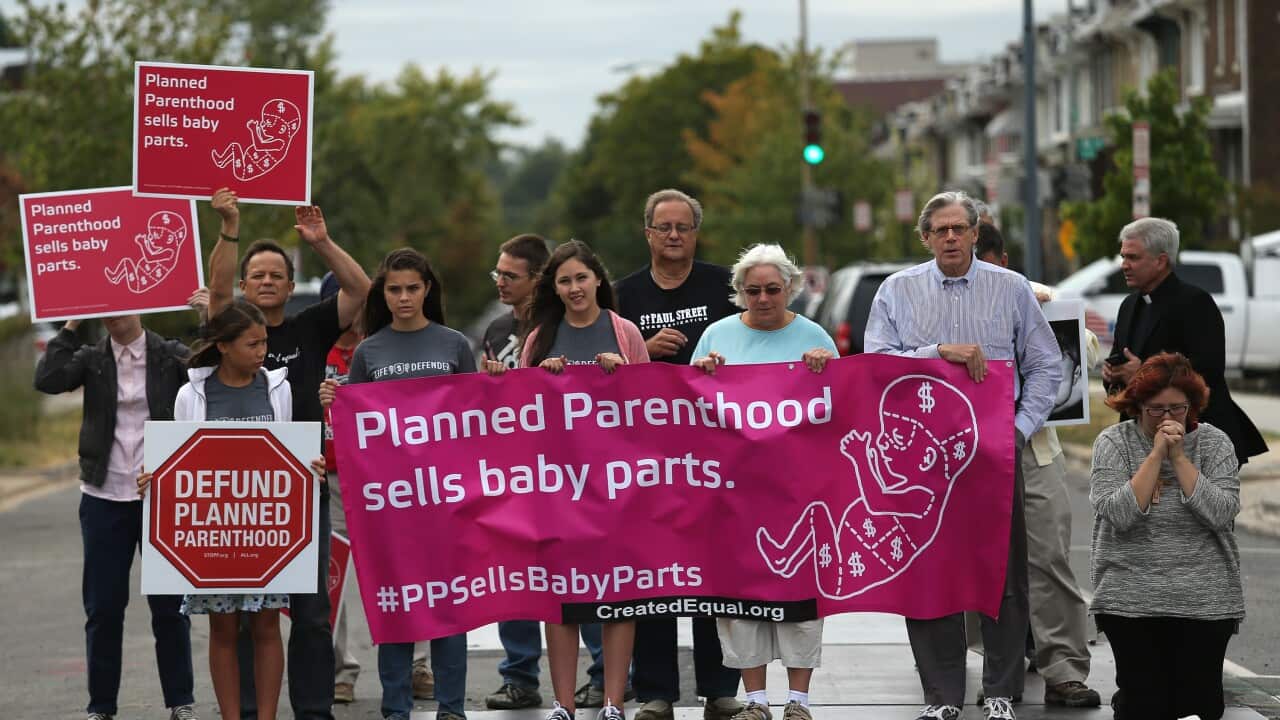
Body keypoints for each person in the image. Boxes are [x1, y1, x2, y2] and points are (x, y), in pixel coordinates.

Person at [864, 190, 1062, 720]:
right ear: (925, 237)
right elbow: (876, 364)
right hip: (921, 466)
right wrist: (937, 353)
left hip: (994, 459)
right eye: (940, 230)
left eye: (960, 228)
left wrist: (1015, 432)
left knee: (1003, 575)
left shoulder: (1012, 289)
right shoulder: (897, 291)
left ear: (977, 233)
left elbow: (1047, 368)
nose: (950, 237)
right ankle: (941, 696)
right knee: (929, 575)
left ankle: (999, 692)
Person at [207, 187, 370, 720]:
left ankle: (313, 710)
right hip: (241, 497)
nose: (269, 282)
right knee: (251, 613)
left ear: (290, 282)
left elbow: (361, 291)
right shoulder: (227, 332)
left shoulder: (311, 325)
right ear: (245, 284)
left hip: (305, 487)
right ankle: (253, 711)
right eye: (258, 275)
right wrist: (230, 227)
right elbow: (215, 294)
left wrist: (321, 242)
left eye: (278, 274)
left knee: (311, 613)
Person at [138, 299, 326, 720]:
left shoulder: (278, 389)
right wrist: (156, 482)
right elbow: (182, 461)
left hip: (264, 532)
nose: (261, 351)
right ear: (223, 346)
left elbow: (287, 458)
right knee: (222, 629)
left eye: (264, 342)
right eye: (251, 343)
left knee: (265, 625)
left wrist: (308, 468)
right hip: (214, 533)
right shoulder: (192, 394)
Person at [319, 248, 473, 720]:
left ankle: (452, 707)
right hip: (390, 506)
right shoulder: (370, 351)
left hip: (446, 499)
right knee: (396, 605)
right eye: (394, 289)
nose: (403, 297)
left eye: (411, 288)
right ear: (381, 294)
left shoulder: (454, 345)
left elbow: (478, 424)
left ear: (427, 289)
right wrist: (335, 401)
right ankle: (395, 708)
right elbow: (359, 433)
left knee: (450, 608)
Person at [34, 302, 205, 720]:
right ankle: (102, 706)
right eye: (104, 307)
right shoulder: (92, 358)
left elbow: (209, 372)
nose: (113, 314)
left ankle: (180, 701)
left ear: (142, 307)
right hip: (103, 494)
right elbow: (49, 378)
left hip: (161, 496)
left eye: (121, 305)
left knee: (169, 607)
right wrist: (74, 320)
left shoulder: (169, 354)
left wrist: (205, 316)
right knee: (104, 608)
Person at [689, 243, 836, 720]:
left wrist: (825, 371)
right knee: (739, 599)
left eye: (773, 289)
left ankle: (798, 701)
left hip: (798, 494)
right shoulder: (717, 335)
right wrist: (702, 373)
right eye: (752, 290)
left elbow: (840, 409)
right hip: (733, 495)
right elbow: (687, 409)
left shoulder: (815, 336)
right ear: (739, 293)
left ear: (790, 288)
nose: (764, 298)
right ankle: (754, 701)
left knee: (800, 601)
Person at [504, 239, 647, 720]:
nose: (574, 288)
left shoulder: (624, 332)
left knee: (618, 596)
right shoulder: (540, 338)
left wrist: (624, 377)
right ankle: (562, 702)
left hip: (617, 489)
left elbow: (654, 411)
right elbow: (520, 420)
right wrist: (538, 379)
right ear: (556, 289)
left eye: (581, 278)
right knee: (561, 598)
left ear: (598, 280)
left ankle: (612, 701)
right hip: (557, 490)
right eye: (564, 281)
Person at [613, 189, 742, 720]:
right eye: (663, 227)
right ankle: (656, 693)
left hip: (715, 457)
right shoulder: (621, 296)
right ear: (647, 233)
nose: (673, 236)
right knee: (653, 577)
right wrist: (644, 353)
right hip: (646, 459)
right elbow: (604, 378)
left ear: (695, 233)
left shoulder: (724, 287)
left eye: (683, 227)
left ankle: (721, 689)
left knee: (716, 575)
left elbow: (754, 350)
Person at [972, 224, 1101, 708]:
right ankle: (994, 664)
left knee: (1048, 556)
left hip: (1033, 447)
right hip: (966, 454)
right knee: (973, 561)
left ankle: (1064, 668)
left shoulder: (1030, 298)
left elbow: (1084, 352)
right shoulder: (942, 303)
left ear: (1003, 261)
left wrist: (1047, 312)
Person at [1090, 352, 1243, 720]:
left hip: (1204, 598)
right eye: (1157, 410)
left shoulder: (1215, 444)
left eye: (1178, 408)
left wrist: (1179, 458)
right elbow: (1119, 514)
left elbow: (1221, 513)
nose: (1168, 418)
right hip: (1130, 595)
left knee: (1200, 707)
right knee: (1147, 705)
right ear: (1138, 406)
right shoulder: (1113, 443)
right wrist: (1157, 454)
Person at [1102, 217, 1267, 464]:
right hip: (1143, 440)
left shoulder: (1195, 303)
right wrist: (1112, 376)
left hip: (1195, 439)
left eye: (1133, 258)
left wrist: (1144, 374)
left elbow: (1208, 370)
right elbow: (1122, 369)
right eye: (1123, 256)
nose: (1124, 265)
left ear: (1161, 261)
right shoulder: (1128, 306)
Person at [477, 233, 558, 711]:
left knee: (577, 574)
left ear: (537, 279)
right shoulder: (495, 330)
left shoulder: (561, 327)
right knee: (515, 576)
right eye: (497, 273)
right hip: (511, 472)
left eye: (510, 275)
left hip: (565, 471)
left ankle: (603, 673)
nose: (501, 282)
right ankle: (519, 676)